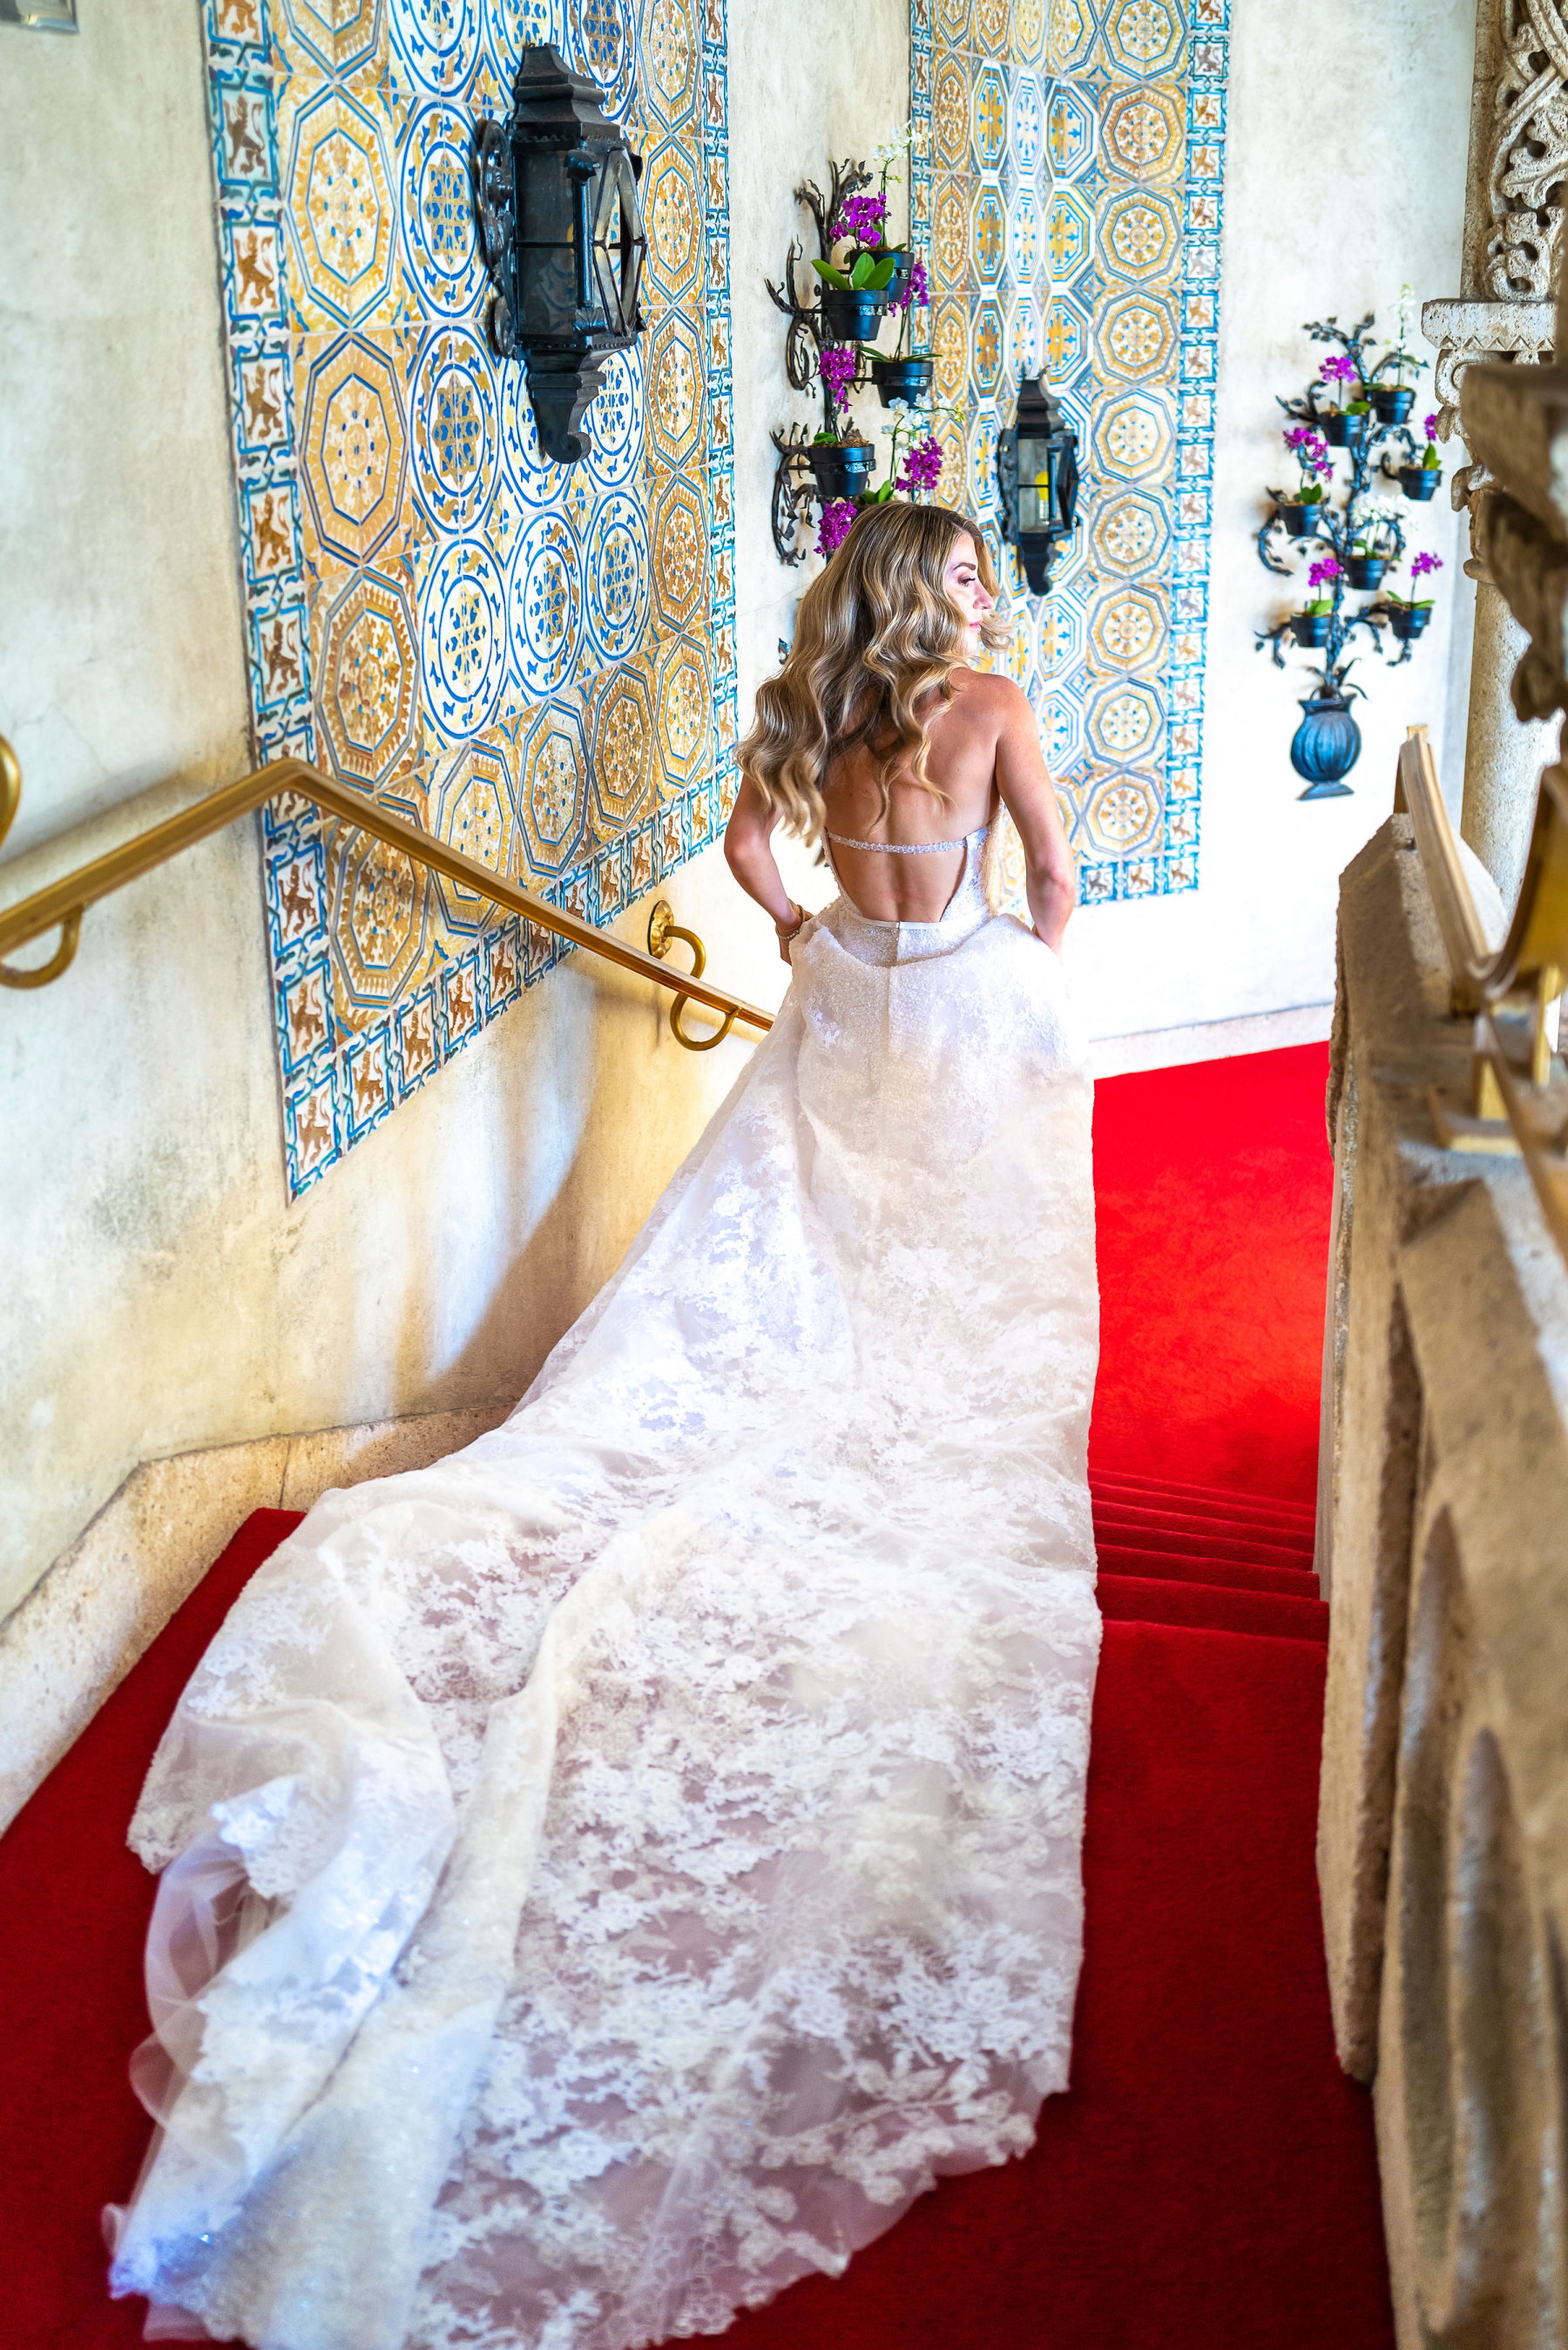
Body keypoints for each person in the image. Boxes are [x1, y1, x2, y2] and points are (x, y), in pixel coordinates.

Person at [106, 501, 1100, 2350]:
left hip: (843, 1001)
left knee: (819, 1257)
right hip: (964, 1009)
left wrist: (807, 930)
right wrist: (1025, 980)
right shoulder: (993, 707)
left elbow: (748, 852)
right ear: (933, 586)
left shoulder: (819, 708)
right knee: (950, 1283)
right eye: (968, 568)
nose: (985, 592)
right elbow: (1050, 880)